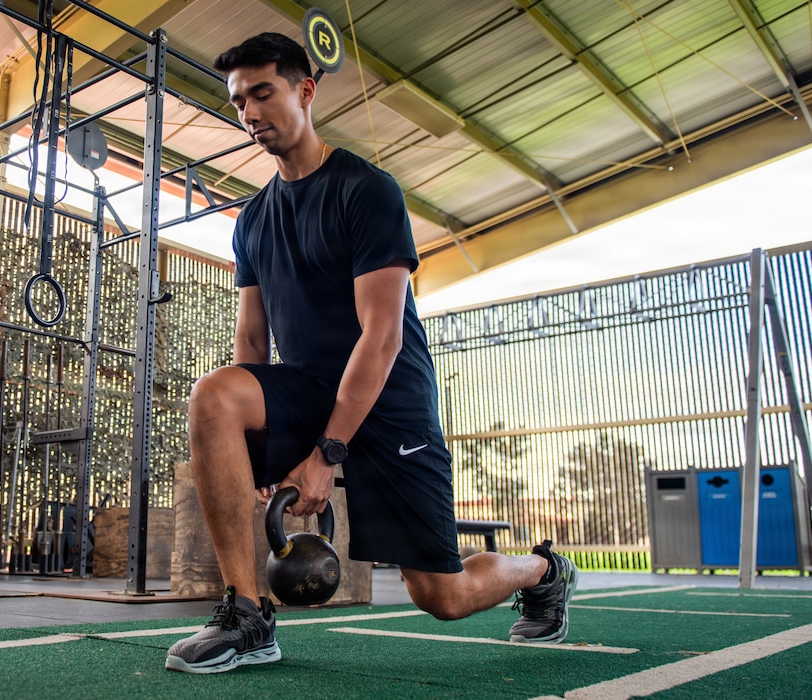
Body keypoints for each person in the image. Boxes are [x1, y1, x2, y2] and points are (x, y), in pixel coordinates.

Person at [165, 32, 579, 675]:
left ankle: (544, 570)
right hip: (306, 387)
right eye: (240, 100)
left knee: (443, 595)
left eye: (263, 93)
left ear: (305, 91)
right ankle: (247, 614)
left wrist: (327, 453)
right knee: (216, 393)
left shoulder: (366, 190)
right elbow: (252, 343)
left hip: (389, 401)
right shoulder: (252, 221)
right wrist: (262, 452)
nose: (249, 113)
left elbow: (380, 335)